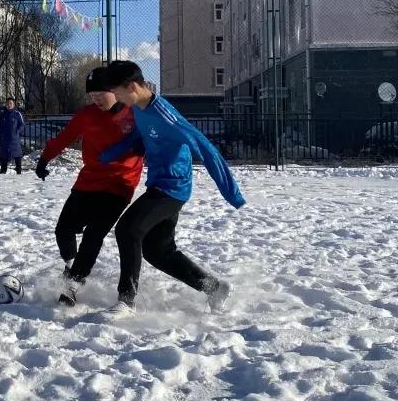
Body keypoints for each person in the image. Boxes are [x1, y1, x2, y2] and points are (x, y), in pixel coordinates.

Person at [99, 60, 245, 314]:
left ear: (132, 86)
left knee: (128, 229)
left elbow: (205, 147)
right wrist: (112, 153)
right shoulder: (139, 109)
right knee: (158, 251)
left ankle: (126, 300)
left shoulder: (165, 114)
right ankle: (214, 288)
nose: (117, 98)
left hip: (173, 187)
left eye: (118, 93)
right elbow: (139, 137)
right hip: (158, 184)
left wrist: (232, 193)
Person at [35, 66, 144, 306]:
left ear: (115, 91)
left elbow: (156, 138)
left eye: (99, 95)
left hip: (120, 184)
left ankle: (74, 284)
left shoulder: (134, 114)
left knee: (94, 234)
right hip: (89, 180)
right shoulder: (87, 115)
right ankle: (71, 266)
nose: (95, 100)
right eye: (91, 97)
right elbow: (64, 137)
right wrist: (45, 158)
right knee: (63, 229)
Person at [0, 98, 25, 174]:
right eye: (8, 103)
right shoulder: (2, 115)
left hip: (15, 140)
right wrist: (2, 133)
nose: (9, 105)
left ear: (13, 104)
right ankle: (2, 172)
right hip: (5, 140)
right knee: (4, 156)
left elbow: (22, 125)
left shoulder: (18, 114)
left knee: (17, 156)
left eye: (10, 103)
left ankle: (19, 171)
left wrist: (17, 132)